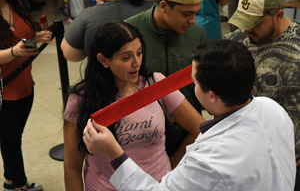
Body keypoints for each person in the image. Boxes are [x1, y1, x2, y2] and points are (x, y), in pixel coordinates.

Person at [83, 39, 296, 190]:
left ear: (211, 96)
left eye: (194, 82)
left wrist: (113, 152)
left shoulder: (209, 161)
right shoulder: (272, 108)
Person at [63, 20, 204, 191]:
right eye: (126, 57)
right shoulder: (81, 99)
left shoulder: (156, 84)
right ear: (103, 60)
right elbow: (72, 166)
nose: (136, 62)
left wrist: (171, 169)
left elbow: (199, 128)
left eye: (139, 53)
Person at [226, 0, 300, 188]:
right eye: (244, 21)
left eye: (255, 22)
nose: (247, 29)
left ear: (279, 15)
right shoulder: (233, 43)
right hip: (247, 159)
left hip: (294, 161)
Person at [0, 0, 52, 191]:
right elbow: (13, 47)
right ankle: (20, 186)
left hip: (24, 83)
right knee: (11, 141)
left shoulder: (15, 3)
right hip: (5, 89)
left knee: (12, 136)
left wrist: (36, 36)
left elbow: (22, 35)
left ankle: (10, 179)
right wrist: (15, 51)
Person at [125, 0, 208, 113]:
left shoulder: (197, 35)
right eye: (186, 14)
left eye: (196, 13)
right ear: (164, 6)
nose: (193, 20)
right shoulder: (128, 32)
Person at [60, 0, 153, 62]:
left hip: (104, 84)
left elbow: (70, 54)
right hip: (153, 82)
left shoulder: (90, 15)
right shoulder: (154, 7)